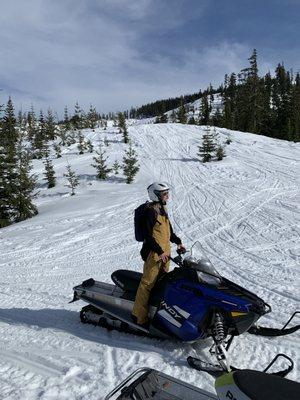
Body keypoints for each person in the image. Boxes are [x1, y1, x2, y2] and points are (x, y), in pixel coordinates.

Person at [132, 182, 185, 327]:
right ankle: (139, 317)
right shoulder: (151, 211)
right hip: (154, 254)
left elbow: (169, 232)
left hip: (165, 254)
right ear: (155, 195)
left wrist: (178, 242)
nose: (167, 196)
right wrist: (160, 252)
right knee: (147, 283)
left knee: (162, 283)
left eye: (167, 193)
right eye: (164, 194)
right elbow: (149, 237)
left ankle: (157, 312)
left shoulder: (162, 208)